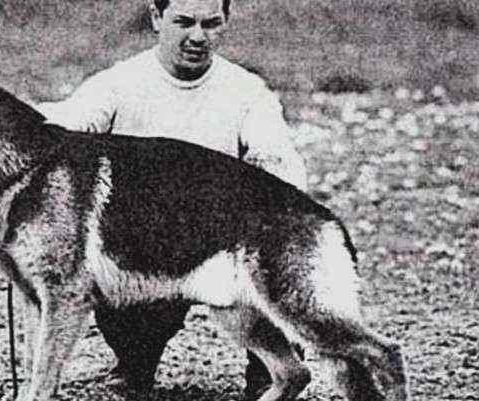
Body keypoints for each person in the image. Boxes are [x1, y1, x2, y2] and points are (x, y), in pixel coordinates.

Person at [36, 0, 308, 397]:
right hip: (148, 249)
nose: (197, 36)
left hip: (226, 246)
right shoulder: (118, 83)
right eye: (184, 22)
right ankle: (134, 365)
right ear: (156, 18)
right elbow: (58, 130)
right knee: (114, 280)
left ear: (225, 23)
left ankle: (272, 374)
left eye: (211, 24)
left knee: (276, 270)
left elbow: (282, 168)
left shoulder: (247, 91)